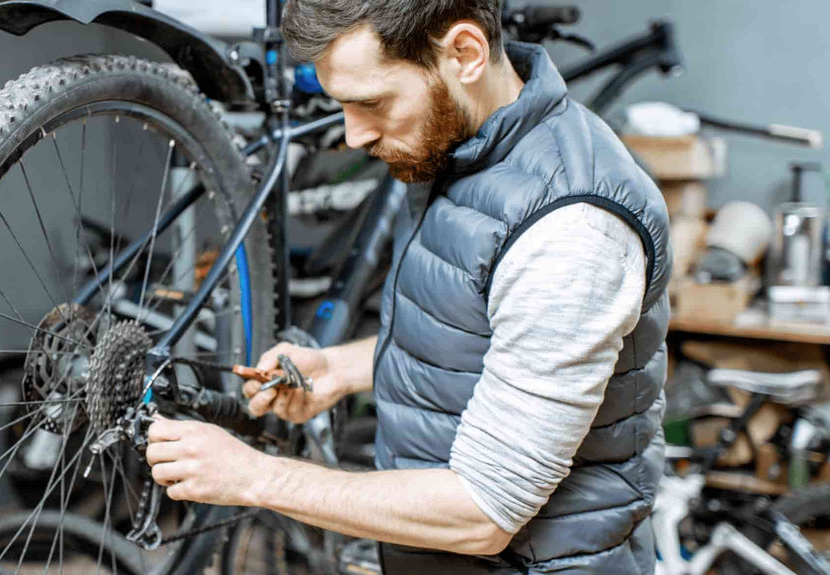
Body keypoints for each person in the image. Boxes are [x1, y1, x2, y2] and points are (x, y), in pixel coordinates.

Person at [144, 1, 671, 572]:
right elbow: (489, 338)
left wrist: (254, 477)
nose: (352, 134)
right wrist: (341, 369)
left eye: (371, 102)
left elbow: (483, 511)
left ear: (464, 53)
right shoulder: (465, 147)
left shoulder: (572, 228)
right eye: (340, 104)